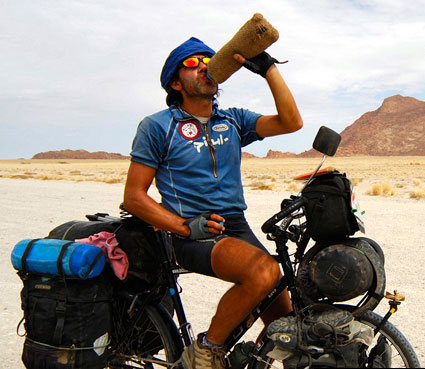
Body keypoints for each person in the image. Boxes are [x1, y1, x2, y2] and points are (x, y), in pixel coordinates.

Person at [124, 37, 303, 369]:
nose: (204, 65)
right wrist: (184, 227)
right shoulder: (158, 127)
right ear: (176, 83)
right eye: (192, 63)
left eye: (209, 59)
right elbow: (134, 196)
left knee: (286, 326)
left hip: (234, 224)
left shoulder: (232, 120)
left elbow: (291, 122)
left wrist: (269, 70)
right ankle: (205, 351)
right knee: (263, 272)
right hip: (189, 231)